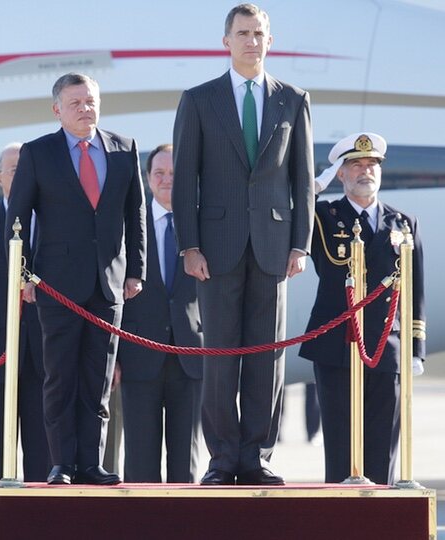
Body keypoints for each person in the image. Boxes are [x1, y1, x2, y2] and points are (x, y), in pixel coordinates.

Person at [171, 2, 314, 487]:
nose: (252, 40)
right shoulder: (199, 98)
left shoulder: (292, 99)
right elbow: (185, 178)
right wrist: (188, 246)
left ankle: (258, 455)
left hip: (274, 247)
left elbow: (304, 180)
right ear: (226, 41)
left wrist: (301, 244)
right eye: (243, 33)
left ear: (269, 40)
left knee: (267, 357)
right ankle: (222, 458)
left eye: (259, 33)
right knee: (219, 359)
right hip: (215, 249)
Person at [6, 72, 146, 485]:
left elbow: (135, 213)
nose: (86, 109)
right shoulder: (38, 152)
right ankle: (62, 463)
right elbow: (18, 216)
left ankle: (91, 462)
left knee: (98, 379)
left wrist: (136, 270)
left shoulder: (124, 148)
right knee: (61, 378)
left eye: (91, 101)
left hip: (109, 284)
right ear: (57, 110)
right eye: (76, 103)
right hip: (56, 284)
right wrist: (25, 274)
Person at [299, 133, 425, 485]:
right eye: (355, 165)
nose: (366, 171)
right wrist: (315, 185)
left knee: (384, 444)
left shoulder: (402, 223)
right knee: (340, 445)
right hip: (338, 343)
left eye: (372, 165)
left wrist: (415, 349)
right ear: (341, 173)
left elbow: (416, 289)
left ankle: (380, 521)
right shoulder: (323, 215)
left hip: (387, 346)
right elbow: (288, 211)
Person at [117, 144, 203, 483]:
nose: (167, 180)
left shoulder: (204, 226)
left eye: (174, 174)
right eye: (159, 174)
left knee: (187, 463)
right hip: (139, 356)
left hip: (192, 356)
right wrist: (115, 356)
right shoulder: (127, 228)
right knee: (139, 461)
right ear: (147, 179)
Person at [0, 142, 50, 482]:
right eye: (14, 170)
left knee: (43, 452)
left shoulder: (54, 224)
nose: (20, 177)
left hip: (44, 355)